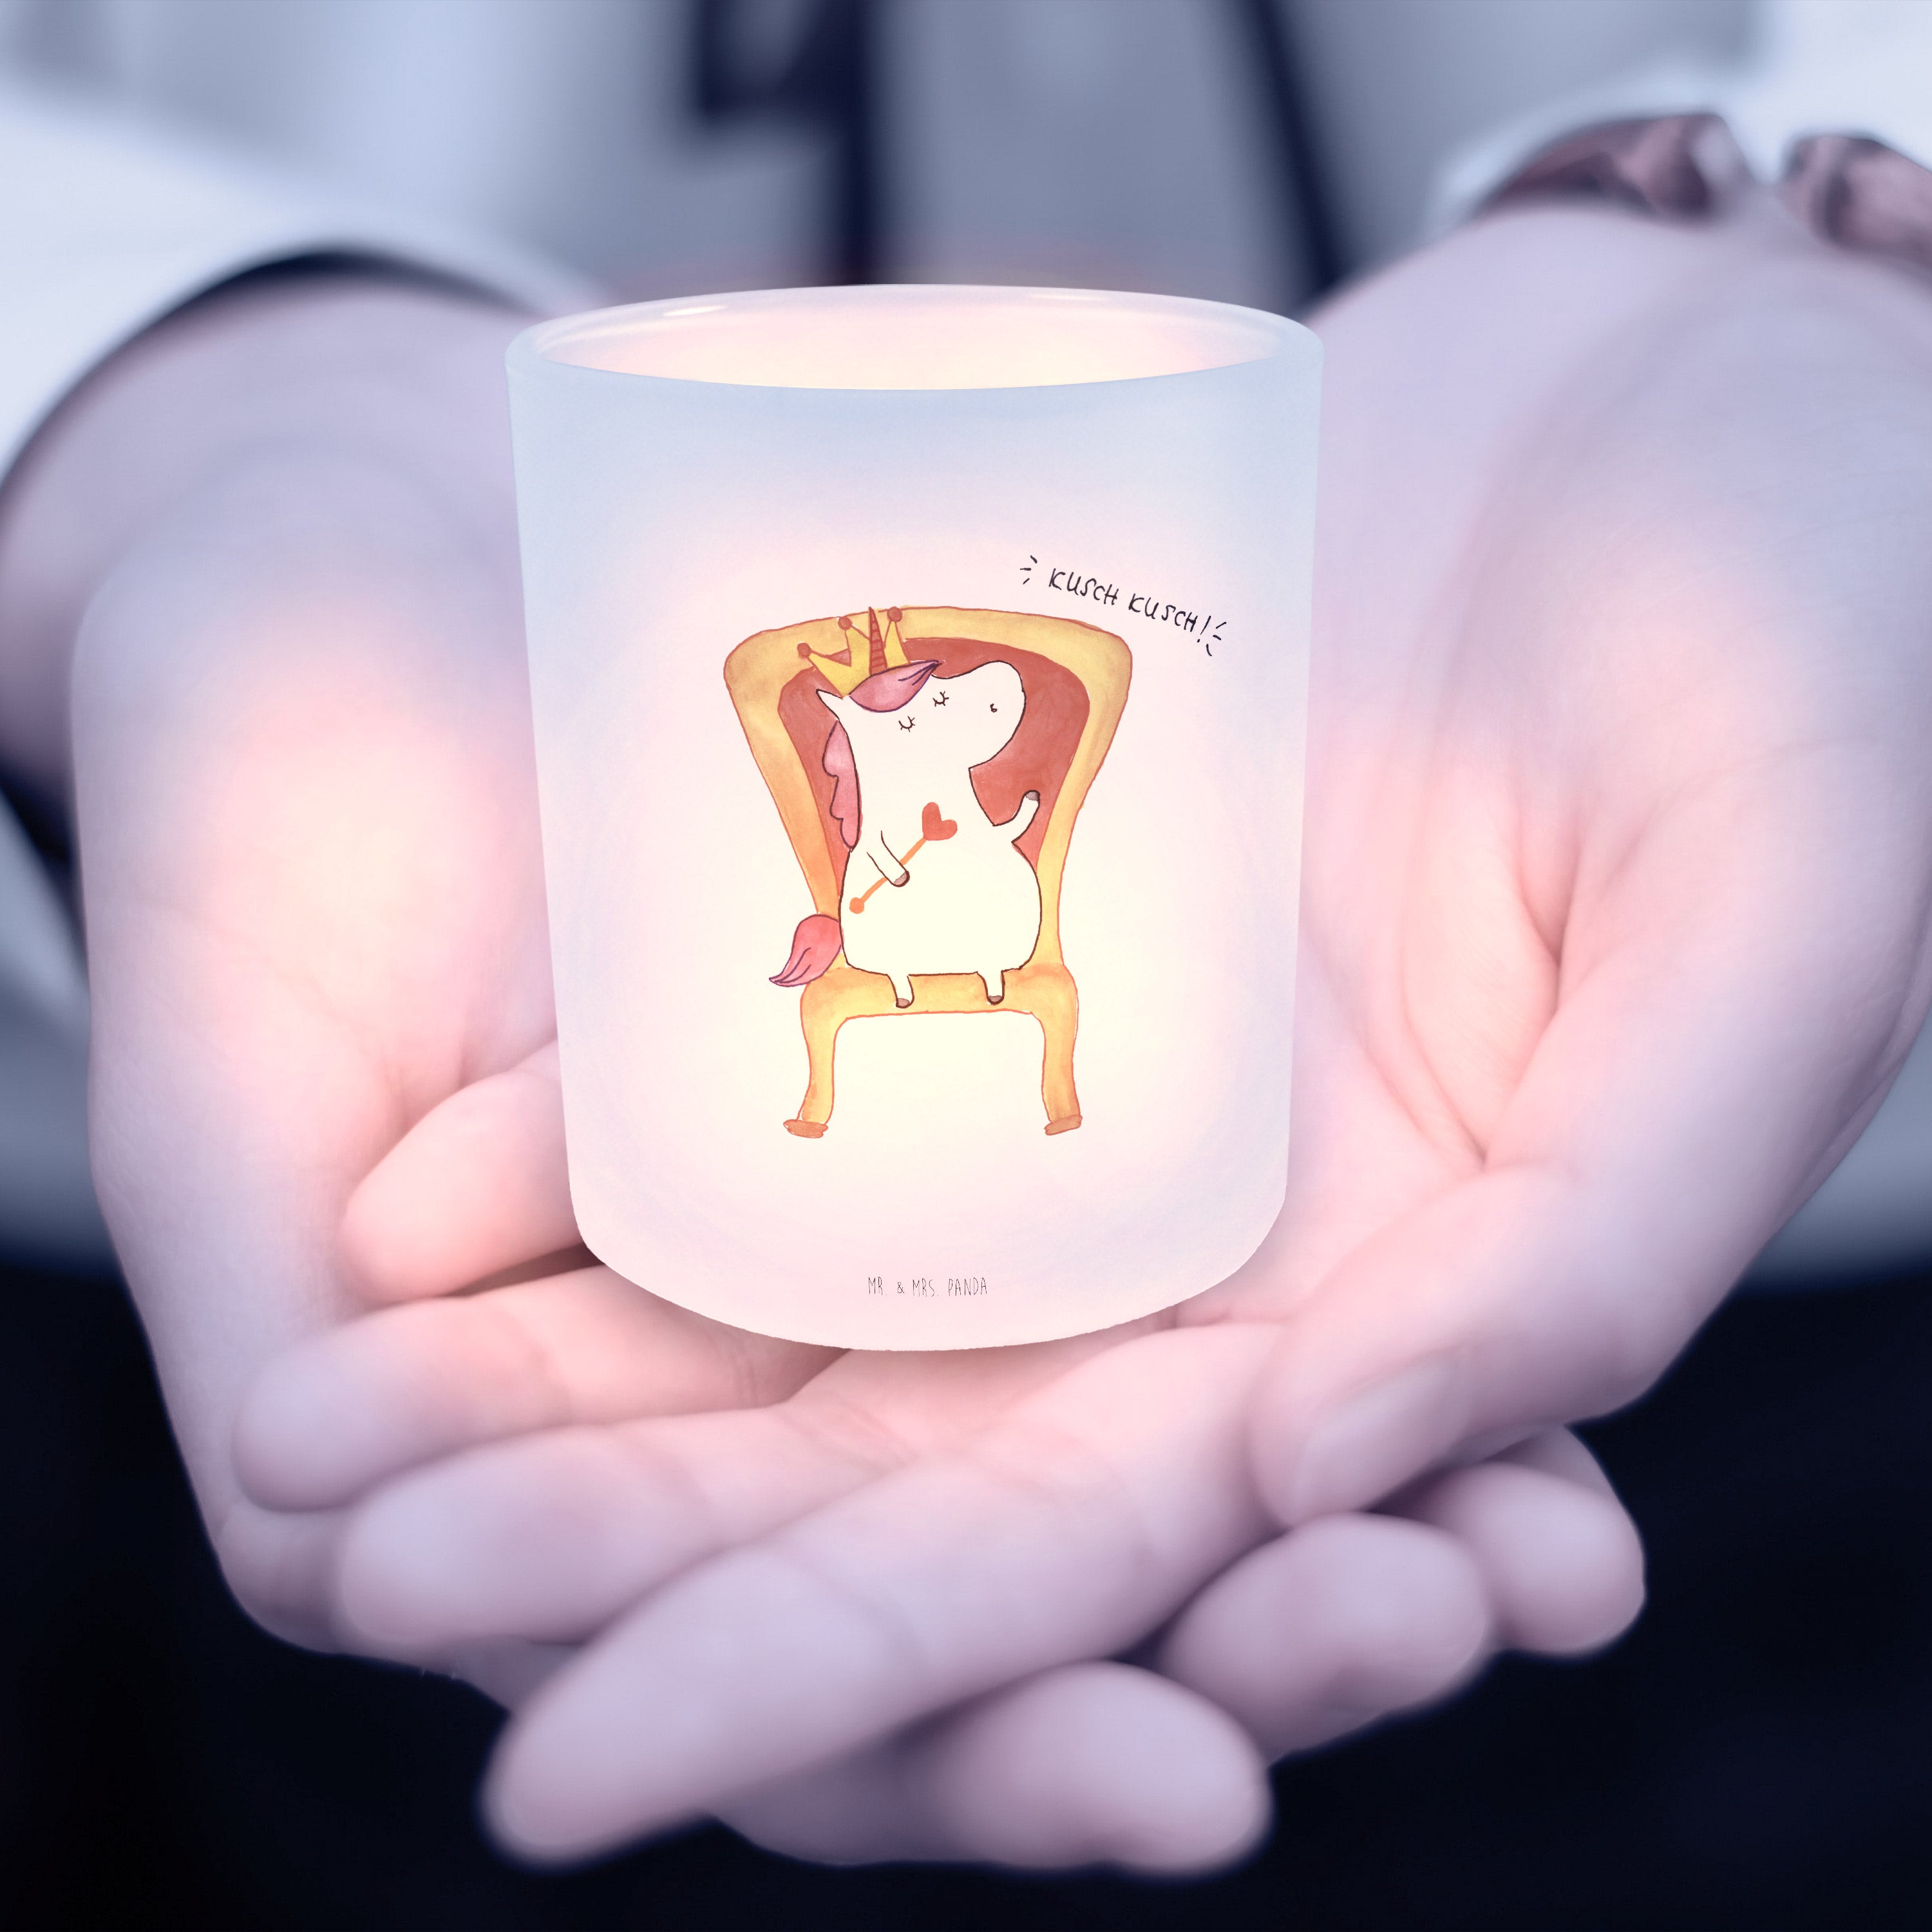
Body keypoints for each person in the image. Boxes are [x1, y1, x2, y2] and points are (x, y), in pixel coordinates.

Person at [0, 0, 1928, 1877]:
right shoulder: (862, 739)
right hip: (263, 1225)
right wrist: (139, 360)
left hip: (1674, 1195)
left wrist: (1859, 250)